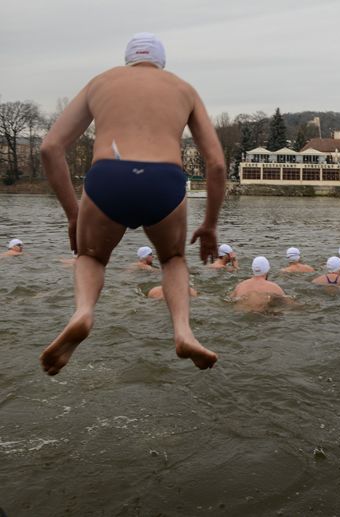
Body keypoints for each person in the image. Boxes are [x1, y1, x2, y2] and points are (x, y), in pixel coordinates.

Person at [38, 32, 224, 376]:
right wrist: (210, 225)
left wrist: (73, 214)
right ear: (162, 61)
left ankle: (82, 313)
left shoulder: (101, 83)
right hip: (164, 181)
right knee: (173, 259)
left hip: (109, 177)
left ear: (127, 60)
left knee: (91, 256)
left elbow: (50, 148)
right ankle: (183, 331)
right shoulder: (183, 89)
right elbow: (216, 164)